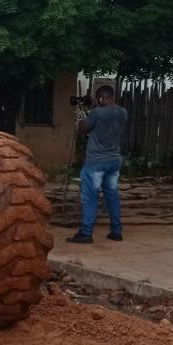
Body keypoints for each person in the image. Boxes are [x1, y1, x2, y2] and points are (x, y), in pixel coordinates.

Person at [67, 85, 127, 244]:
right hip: (114, 159)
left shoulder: (97, 112)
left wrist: (80, 116)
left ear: (103, 98)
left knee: (90, 197)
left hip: (96, 162)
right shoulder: (123, 112)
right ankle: (116, 231)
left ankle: (86, 233)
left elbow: (82, 129)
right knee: (112, 196)